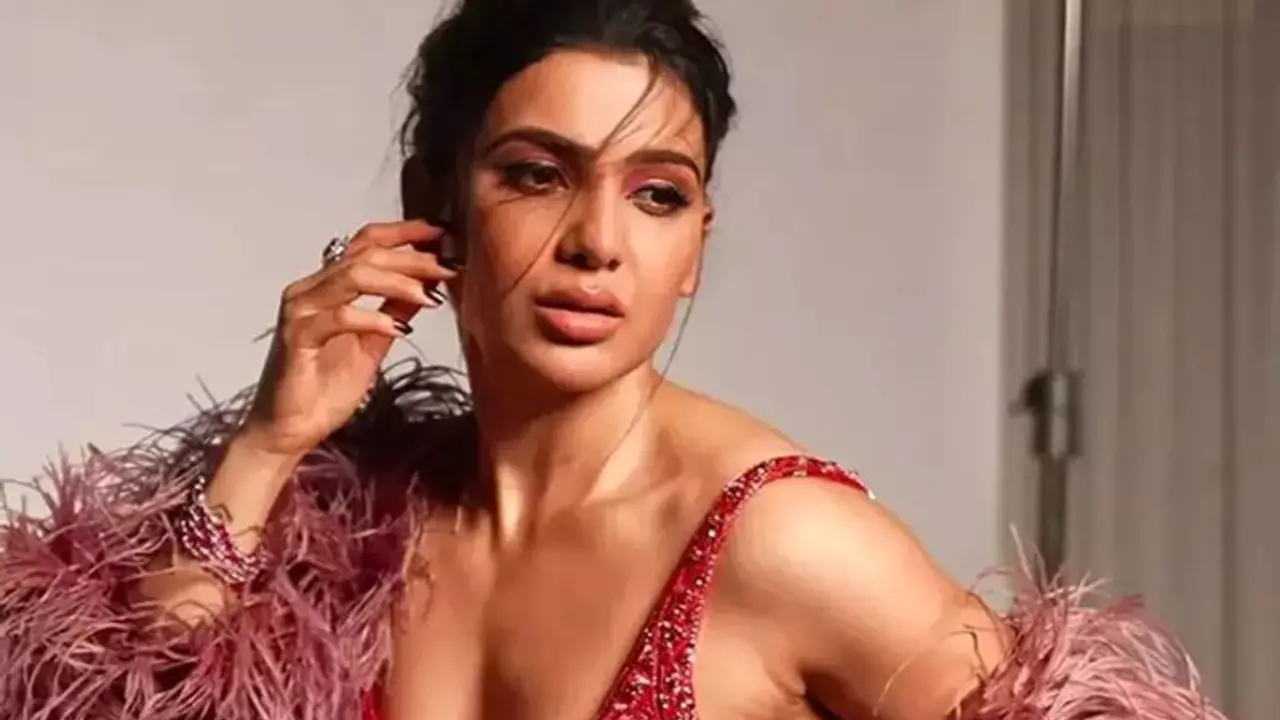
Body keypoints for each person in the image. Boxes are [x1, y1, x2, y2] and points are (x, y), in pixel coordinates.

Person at [0, 1, 1227, 718]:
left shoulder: (779, 539)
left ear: (694, 249)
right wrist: (268, 446)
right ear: (434, 205)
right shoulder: (356, 520)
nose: (597, 242)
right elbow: (127, 700)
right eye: (537, 175)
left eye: (657, 194)